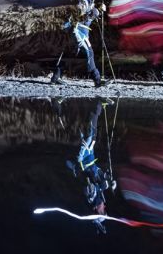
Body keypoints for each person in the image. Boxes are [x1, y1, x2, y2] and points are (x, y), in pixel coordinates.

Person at [65, 100, 117, 233]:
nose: (104, 208)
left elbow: (91, 185)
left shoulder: (91, 198)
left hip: (84, 158)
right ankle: (97, 106)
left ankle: (98, 103)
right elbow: (100, 175)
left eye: (102, 211)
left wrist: (102, 184)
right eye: (104, 211)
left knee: (90, 133)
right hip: (91, 157)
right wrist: (109, 181)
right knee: (92, 133)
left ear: (96, 210)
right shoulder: (101, 198)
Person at [52, 0, 109, 87]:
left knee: (71, 54)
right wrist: (95, 12)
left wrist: (98, 11)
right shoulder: (83, 2)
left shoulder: (88, 2)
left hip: (81, 31)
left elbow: (89, 15)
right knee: (89, 53)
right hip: (79, 32)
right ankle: (97, 80)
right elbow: (80, 17)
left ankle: (56, 77)